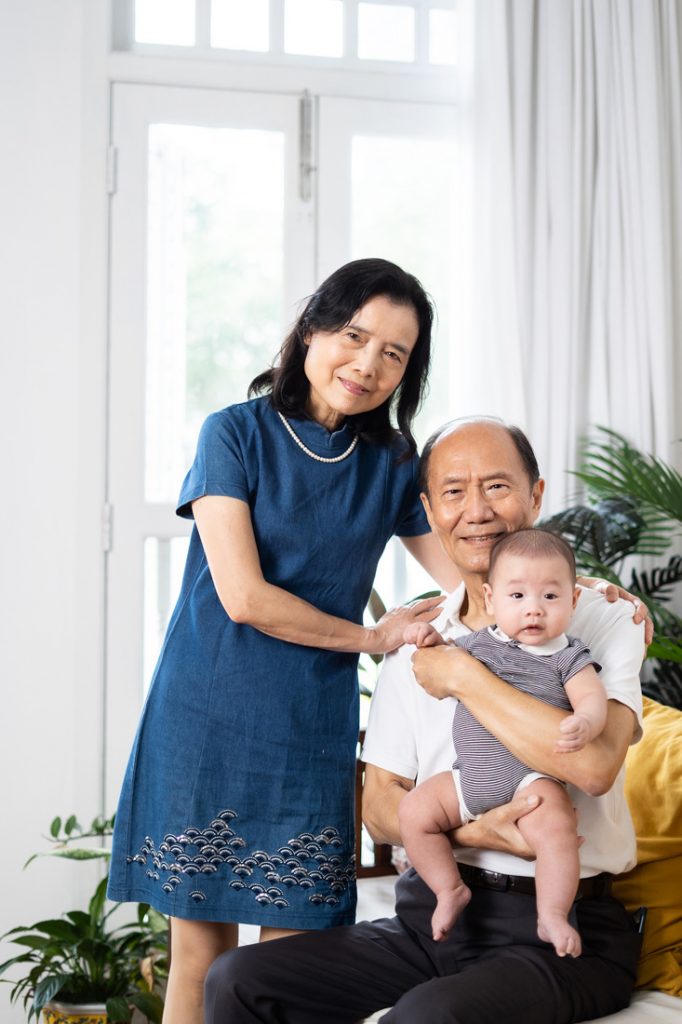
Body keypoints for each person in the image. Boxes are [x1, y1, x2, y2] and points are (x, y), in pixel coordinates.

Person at [107, 259, 465, 1024]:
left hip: (307, 733)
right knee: (201, 960)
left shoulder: (393, 465)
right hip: (205, 716)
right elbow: (244, 597)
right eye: (353, 335)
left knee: (283, 968)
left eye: (394, 354)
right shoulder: (232, 434)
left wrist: (589, 594)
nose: (367, 364)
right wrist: (374, 637)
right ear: (311, 330)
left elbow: (469, 576)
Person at [204, 417, 647, 1024]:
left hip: (563, 929)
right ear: (429, 510)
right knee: (238, 979)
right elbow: (382, 806)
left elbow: (594, 767)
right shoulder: (417, 634)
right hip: (436, 917)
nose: (477, 511)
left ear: (536, 495)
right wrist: (476, 834)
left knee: (424, 1017)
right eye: (454, 492)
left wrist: (464, 676)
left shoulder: (601, 619)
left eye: (497, 487)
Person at [399, 528, 607, 956]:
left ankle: (551, 913)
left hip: (530, 780)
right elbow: (443, 657)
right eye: (518, 597)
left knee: (556, 830)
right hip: (468, 779)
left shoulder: (569, 656)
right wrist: (430, 640)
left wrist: (586, 720)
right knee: (414, 811)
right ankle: (447, 889)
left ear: (573, 601)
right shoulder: (477, 645)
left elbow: (591, 698)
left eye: (550, 597)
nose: (534, 609)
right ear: (492, 600)